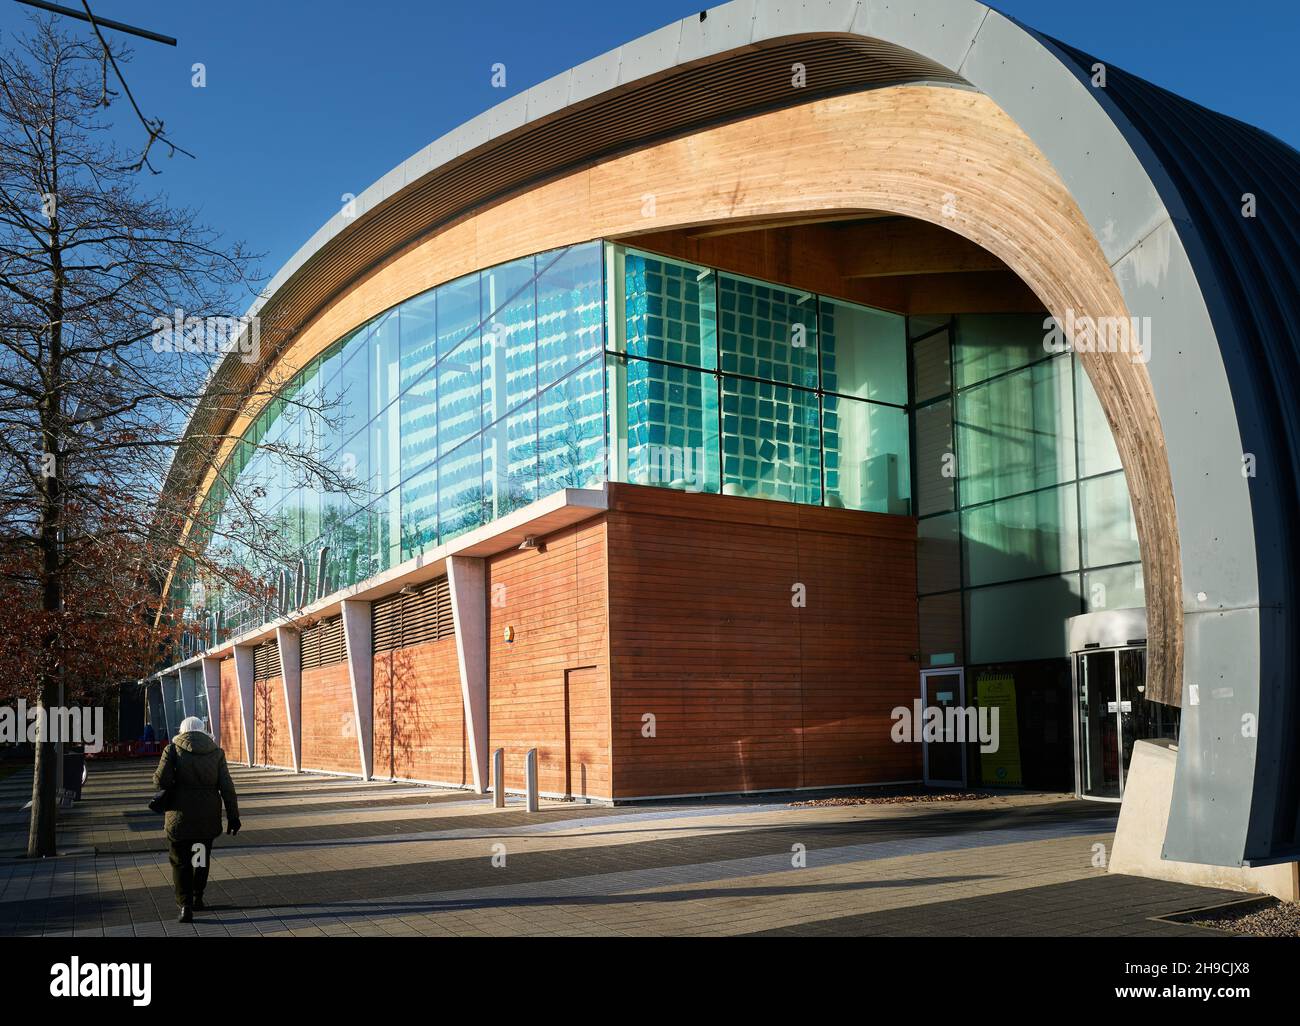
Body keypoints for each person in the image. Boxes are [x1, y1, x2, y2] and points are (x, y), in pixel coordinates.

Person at [152, 715, 240, 923]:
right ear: (203, 731)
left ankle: (185, 905)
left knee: (180, 861)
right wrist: (233, 817)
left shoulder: (172, 750)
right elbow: (227, 787)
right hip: (206, 816)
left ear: (182, 731)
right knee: (199, 858)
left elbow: (160, 781)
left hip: (179, 816)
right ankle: (198, 897)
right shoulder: (216, 753)